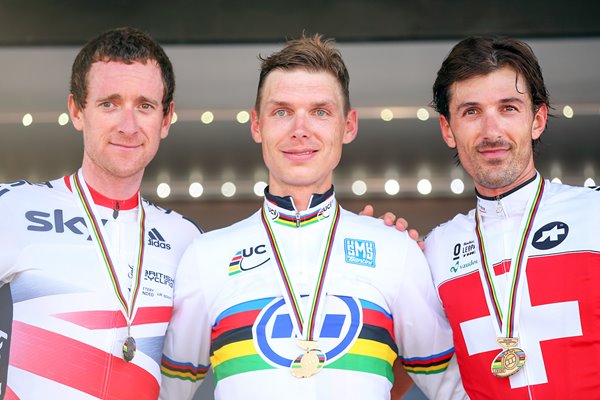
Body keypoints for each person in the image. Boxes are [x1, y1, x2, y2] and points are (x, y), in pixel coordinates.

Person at [159, 34, 466, 400]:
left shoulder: (395, 249)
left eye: (320, 111)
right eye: (282, 111)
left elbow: (454, 391)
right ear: (257, 125)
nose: (299, 129)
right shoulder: (205, 256)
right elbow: (166, 393)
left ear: (348, 125)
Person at [0, 27, 201, 399]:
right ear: (77, 111)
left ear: (166, 118)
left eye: (144, 105)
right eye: (109, 103)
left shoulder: (186, 239)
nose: (128, 126)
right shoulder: (14, 208)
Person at [423, 35, 600, 398]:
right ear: (447, 129)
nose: (491, 132)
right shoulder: (433, 251)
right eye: (471, 111)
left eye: (508, 108)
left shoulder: (594, 213)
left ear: (537, 120)